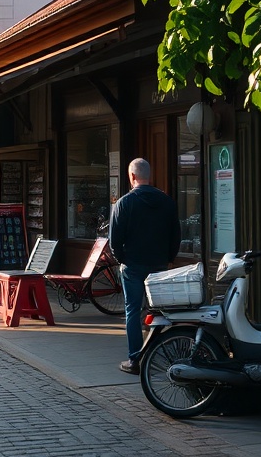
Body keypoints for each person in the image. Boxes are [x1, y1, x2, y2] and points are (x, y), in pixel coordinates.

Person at [109, 157, 180, 375]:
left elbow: (114, 240)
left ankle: (135, 358)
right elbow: (175, 234)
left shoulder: (124, 203)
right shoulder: (166, 201)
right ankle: (159, 354)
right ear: (150, 176)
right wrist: (168, 257)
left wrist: (123, 259)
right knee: (160, 311)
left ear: (131, 176)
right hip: (158, 264)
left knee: (133, 311)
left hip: (133, 264)